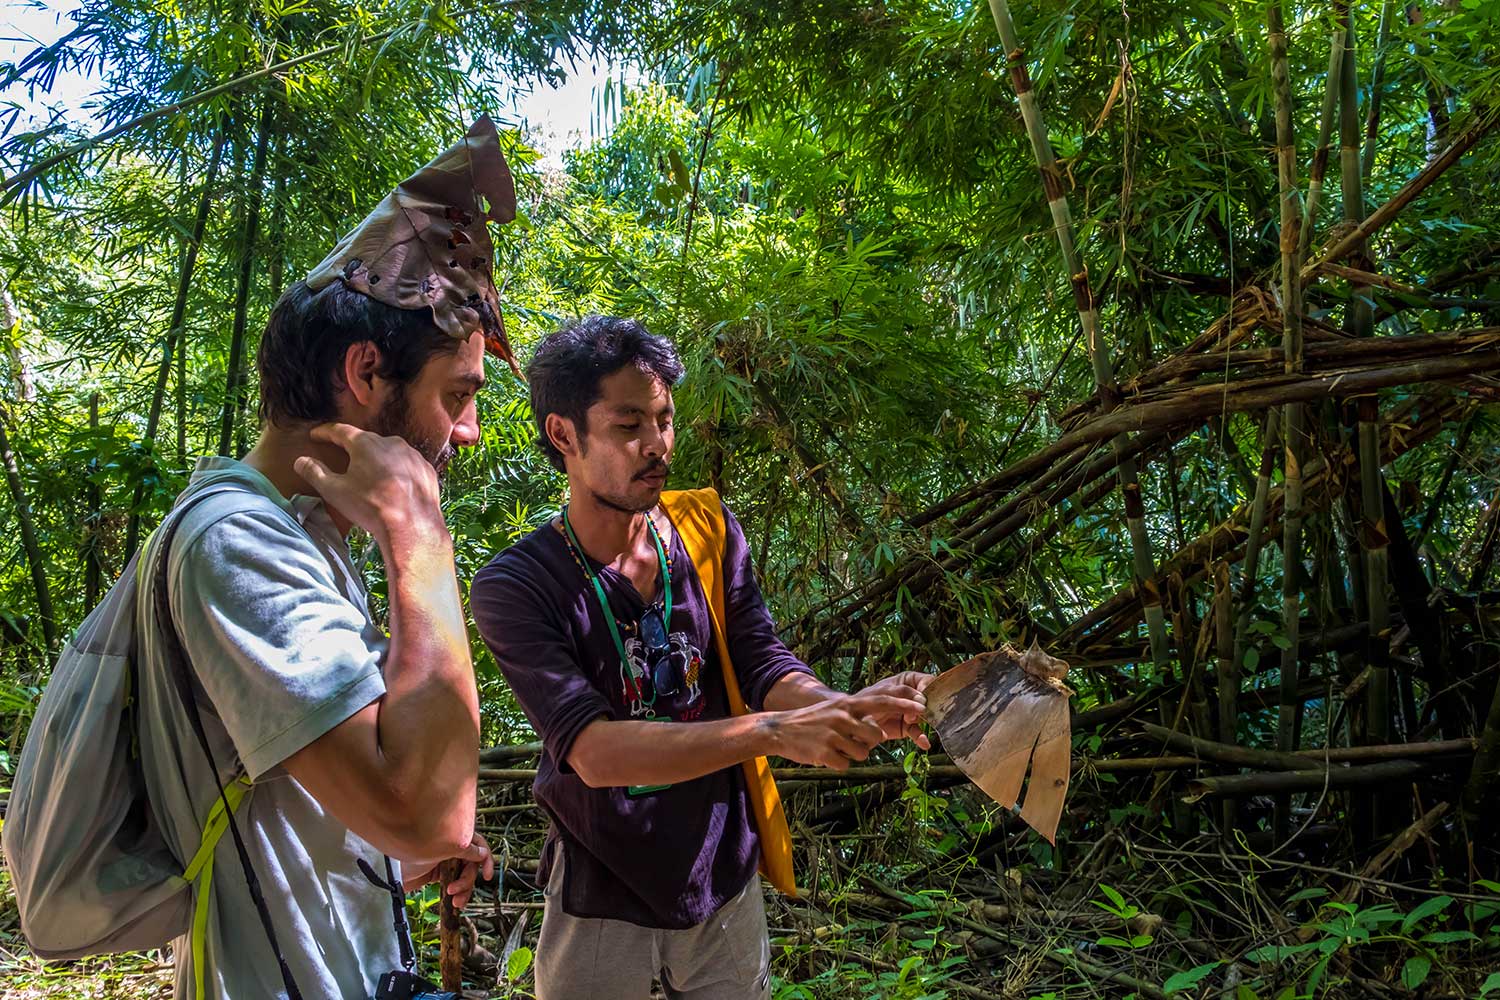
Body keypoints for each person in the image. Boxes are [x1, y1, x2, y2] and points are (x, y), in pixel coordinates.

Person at [136, 117, 518, 998]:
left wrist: (394, 847)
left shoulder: (303, 538)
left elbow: (363, 799)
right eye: (457, 396)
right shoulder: (238, 543)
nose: (467, 430)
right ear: (364, 373)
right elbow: (428, 815)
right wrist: (421, 533)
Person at [470, 316, 933, 999]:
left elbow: (760, 662)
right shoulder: (517, 585)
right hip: (602, 889)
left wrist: (842, 707)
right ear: (563, 434)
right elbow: (594, 752)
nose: (656, 445)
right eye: (629, 425)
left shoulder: (705, 529)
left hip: (723, 880)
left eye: (664, 419)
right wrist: (775, 734)